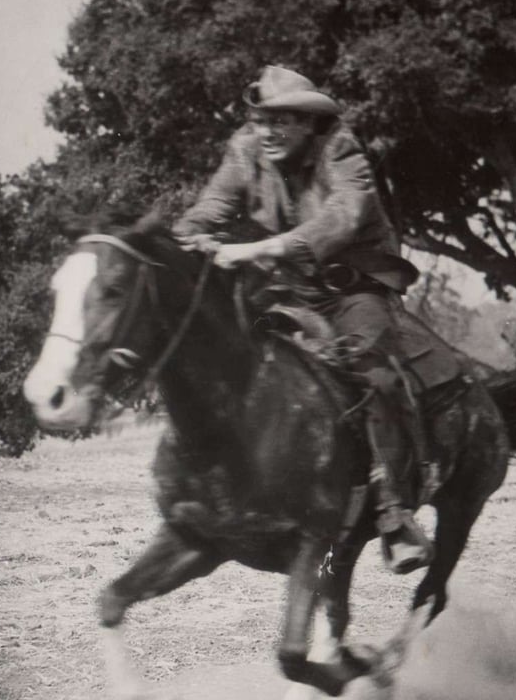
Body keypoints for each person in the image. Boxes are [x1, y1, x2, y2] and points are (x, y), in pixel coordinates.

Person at [174, 65, 434, 574]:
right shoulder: (246, 149)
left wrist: (259, 249)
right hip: (290, 288)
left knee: (370, 370)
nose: (268, 132)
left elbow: (343, 217)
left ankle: (392, 510)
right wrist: (183, 239)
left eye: (282, 121)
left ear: (309, 123)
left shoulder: (341, 148)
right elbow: (210, 208)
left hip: (354, 286)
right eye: (261, 121)